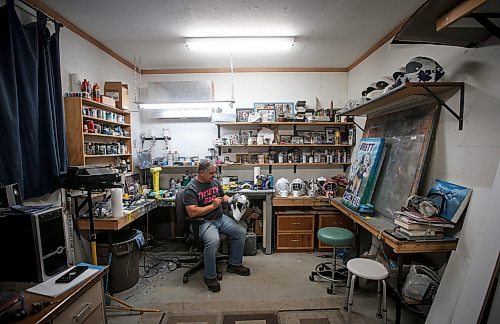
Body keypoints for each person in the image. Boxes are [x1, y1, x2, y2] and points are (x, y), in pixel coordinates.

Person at [183, 159, 250, 292]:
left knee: (240, 232)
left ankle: (234, 264)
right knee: (213, 241)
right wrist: (212, 206)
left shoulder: (213, 182)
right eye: (212, 173)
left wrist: (232, 200)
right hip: (202, 221)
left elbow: (222, 196)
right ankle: (210, 276)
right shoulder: (191, 188)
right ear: (202, 173)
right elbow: (192, 212)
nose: (214, 175)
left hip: (219, 218)